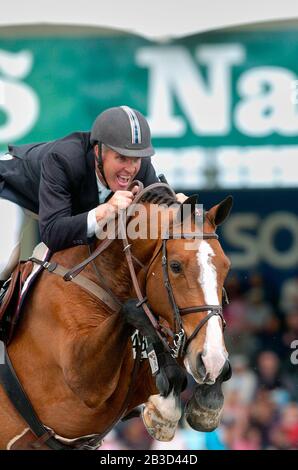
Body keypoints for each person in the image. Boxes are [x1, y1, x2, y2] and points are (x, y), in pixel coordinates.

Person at [0, 105, 186, 293]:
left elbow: (167, 210)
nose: (130, 169)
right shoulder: (63, 159)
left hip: (60, 206)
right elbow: (52, 234)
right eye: (121, 157)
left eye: (136, 159)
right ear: (98, 151)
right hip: (12, 188)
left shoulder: (142, 166)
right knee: (3, 262)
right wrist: (103, 211)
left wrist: (184, 211)